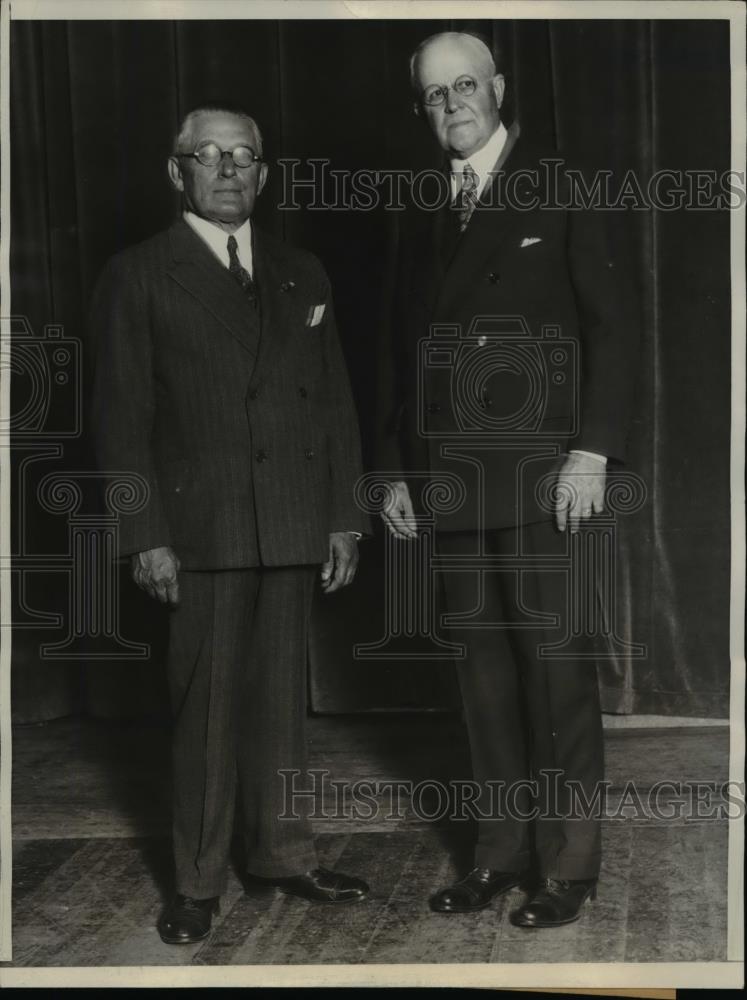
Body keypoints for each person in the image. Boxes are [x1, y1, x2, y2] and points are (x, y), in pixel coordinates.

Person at [90, 102, 371, 945]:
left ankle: (284, 854)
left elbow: (333, 406)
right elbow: (120, 420)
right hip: (199, 533)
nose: (227, 169)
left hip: (288, 522)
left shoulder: (301, 271)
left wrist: (343, 520)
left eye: (243, 156)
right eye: (207, 155)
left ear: (263, 174)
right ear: (175, 172)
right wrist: (143, 536)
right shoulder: (138, 274)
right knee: (205, 716)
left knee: (282, 707)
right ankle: (198, 880)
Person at [378, 32, 637, 927]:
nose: (451, 104)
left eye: (464, 87)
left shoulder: (560, 180)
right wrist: (396, 473)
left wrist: (593, 451)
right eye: (433, 94)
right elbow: (398, 354)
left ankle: (567, 867)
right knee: (481, 682)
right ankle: (497, 854)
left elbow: (614, 328)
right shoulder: (422, 205)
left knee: (556, 678)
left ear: (497, 88)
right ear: (421, 107)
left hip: (543, 478)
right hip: (447, 479)